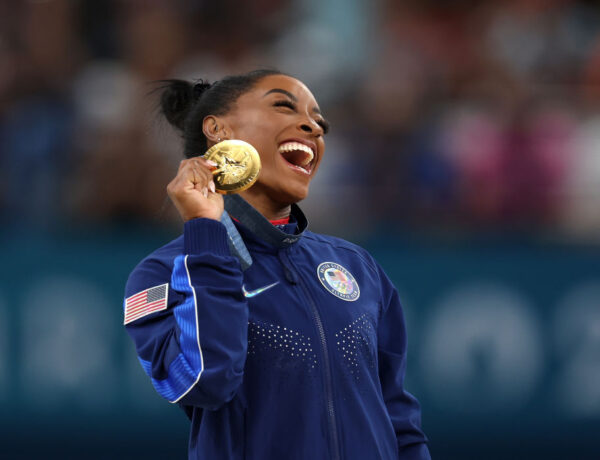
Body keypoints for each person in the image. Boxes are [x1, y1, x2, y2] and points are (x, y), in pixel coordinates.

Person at [123, 69, 430, 460]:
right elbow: (206, 379)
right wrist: (205, 233)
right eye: (284, 106)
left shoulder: (355, 265)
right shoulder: (163, 272)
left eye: (320, 122)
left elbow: (399, 422)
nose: (314, 127)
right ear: (217, 129)